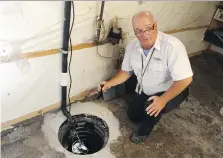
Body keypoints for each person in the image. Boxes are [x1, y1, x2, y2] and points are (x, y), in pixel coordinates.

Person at [100, 11, 193, 143]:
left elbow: (185, 79)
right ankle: (151, 106)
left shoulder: (173, 46)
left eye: (148, 28)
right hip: (146, 89)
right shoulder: (132, 47)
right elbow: (126, 72)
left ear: (155, 25)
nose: (144, 34)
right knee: (133, 115)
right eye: (139, 31)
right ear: (135, 31)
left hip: (172, 90)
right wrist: (110, 83)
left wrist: (163, 100)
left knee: (151, 107)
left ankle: (144, 131)